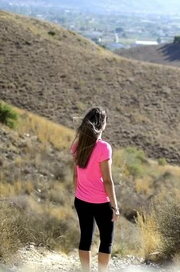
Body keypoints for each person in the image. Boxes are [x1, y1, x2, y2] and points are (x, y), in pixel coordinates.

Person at [70, 107, 119, 272]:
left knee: (85, 239)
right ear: (102, 124)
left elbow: (75, 177)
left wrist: (79, 195)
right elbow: (107, 180)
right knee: (106, 241)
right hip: (101, 202)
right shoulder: (104, 148)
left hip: (81, 200)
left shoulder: (78, 146)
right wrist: (114, 207)